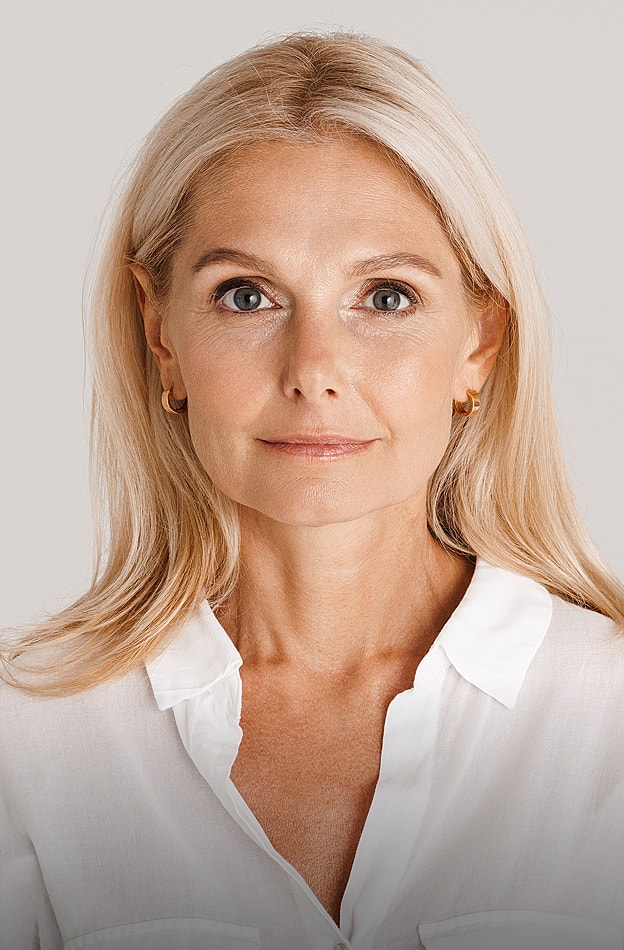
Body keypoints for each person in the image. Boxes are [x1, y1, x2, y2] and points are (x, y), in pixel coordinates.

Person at [1, 30, 624, 950]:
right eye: (247, 295)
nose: (314, 372)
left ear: (480, 343)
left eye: (386, 297)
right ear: (161, 335)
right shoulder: (27, 740)